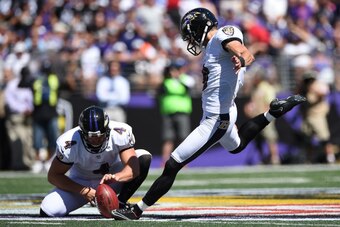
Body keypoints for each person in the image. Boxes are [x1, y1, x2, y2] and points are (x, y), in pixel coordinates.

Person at [106, 8, 306, 220]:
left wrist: (242, 58)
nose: (190, 39)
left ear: (200, 27)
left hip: (216, 119)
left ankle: (136, 211)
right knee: (237, 146)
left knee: (172, 164)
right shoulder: (214, 46)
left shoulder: (222, 35)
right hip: (226, 111)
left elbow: (245, 52)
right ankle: (272, 113)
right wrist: (240, 58)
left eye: (191, 33)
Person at [39, 106, 152, 217]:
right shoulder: (69, 142)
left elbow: (133, 168)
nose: (96, 140)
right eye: (91, 136)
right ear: (82, 132)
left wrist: (117, 177)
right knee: (48, 210)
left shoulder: (119, 132)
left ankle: (120, 203)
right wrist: (83, 191)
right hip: (81, 182)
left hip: (110, 180)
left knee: (143, 157)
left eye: (100, 135)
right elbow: (54, 176)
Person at [18, 59, 61, 173]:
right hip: (38, 113)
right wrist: (24, 73)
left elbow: (69, 85)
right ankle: (38, 161)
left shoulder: (55, 79)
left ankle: (48, 161)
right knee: (37, 140)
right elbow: (22, 84)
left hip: (51, 113)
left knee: (53, 139)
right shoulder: (35, 79)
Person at [158, 60, 194, 165]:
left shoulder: (187, 79)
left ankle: (183, 162)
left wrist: (178, 78)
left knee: (183, 138)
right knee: (168, 138)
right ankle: (164, 161)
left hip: (182, 113)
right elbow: (161, 90)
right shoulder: (166, 81)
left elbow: (189, 87)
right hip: (168, 113)